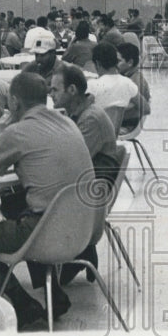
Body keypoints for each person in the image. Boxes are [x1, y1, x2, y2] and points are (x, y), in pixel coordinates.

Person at [0, 73, 94, 329]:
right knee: (16, 207)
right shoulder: (67, 122)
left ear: (14, 102)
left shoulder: (18, 132)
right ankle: (54, 294)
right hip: (82, 225)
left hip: (44, 231)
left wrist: (3, 134)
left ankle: (22, 305)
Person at [48, 63, 122, 284]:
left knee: (21, 202)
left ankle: (75, 252)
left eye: (55, 90)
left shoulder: (90, 119)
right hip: (88, 188)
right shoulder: (80, 114)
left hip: (87, 196)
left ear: (71, 91)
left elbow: (73, 163)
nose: (50, 95)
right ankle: (80, 251)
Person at [87, 42, 139, 125]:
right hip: (115, 131)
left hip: (94, 133)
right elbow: (146, 108)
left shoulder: (91, 85)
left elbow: (79, 111)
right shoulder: (128, 83)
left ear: (97, 64)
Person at [116, 41, 151, 130]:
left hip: (126, 125)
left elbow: (127, 107)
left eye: (118, 61)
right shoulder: (130, 76)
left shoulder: (135, 81)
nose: (115, 65)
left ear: (130, 62)